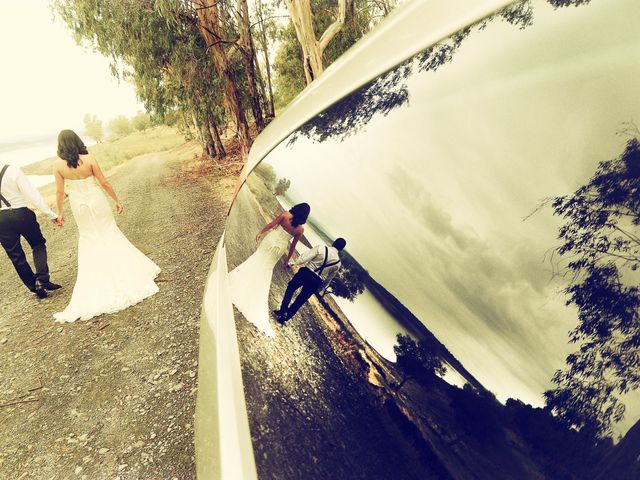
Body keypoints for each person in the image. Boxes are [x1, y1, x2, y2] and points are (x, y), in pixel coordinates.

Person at [52, 129, 160, 322]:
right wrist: (116, 200)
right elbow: (104, 182)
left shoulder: (58, 166)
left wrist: (60, 213)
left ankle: (96, 282)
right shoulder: (90, 159)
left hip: (79, 205)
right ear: (77, 141)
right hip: (96, 200)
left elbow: (60, 193)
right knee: (109, 232)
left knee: (88, 238)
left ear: (60, 145)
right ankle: (127, 272)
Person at [228, 202, 310, 336]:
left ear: (297, 207)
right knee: (267, 268)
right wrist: (287, 260)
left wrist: (261, 232)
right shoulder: (300, 230)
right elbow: (293, 246)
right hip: (280, 248)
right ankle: (254, 292)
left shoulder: (285, 215)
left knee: (257, 259)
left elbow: (272, 224)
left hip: (270, 240)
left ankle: (241, 281)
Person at [0, 163, 62, 298]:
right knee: (38, 244)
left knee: (16, 256)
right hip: (21, 214)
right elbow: (32, 194)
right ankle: (42, 280)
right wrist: (50, 214)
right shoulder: (12, 170)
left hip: (1, 221)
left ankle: (34, 287)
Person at [273, 237, 346, 324]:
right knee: (300, 300)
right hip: (316, 281)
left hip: (306, 272)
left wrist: (294, 263)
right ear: (341, 249)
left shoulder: (321, 248)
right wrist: (320, 288)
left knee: (291, 287)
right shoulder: (338, 263)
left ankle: (283, 310)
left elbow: (304, 258)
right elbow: (329, 279)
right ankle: (285, 318)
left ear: (334, 243)